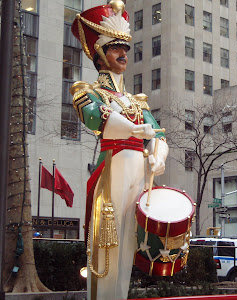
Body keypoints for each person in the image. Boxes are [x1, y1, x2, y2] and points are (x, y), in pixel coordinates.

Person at [69, 1, 168, 299]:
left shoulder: (138, 100)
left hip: (138, 174)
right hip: (112, 170)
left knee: (127, 248)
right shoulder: (87, 91)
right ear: (100, 53)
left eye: (124, 46)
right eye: (115, 48)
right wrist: (133, 129)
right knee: (105, 249)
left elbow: (158, 135)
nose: (123, 53)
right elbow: (94, 117)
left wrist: (158, 156)